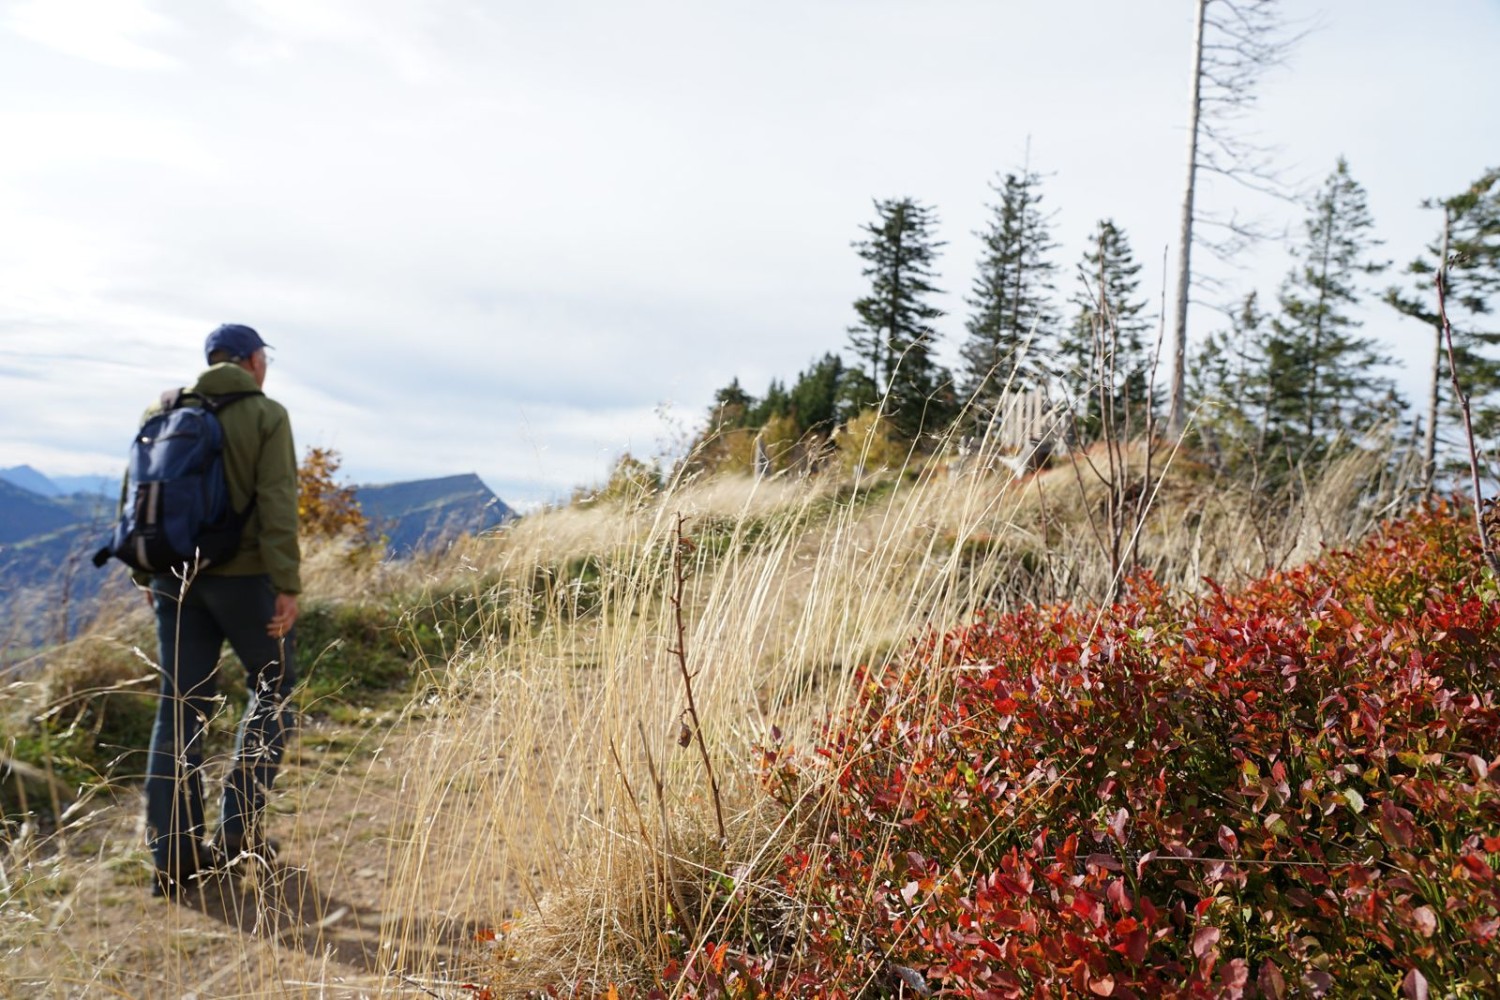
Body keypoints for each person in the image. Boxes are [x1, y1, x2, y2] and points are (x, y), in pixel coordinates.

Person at [140, 323, 301, 898]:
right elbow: (279, 499)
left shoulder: (162, 409)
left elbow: (140, 498)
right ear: (253, 361)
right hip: (243, 580)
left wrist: (148, 572)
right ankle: (236, 834)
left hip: (172, 580)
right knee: (273, 685)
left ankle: (173, 858)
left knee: (179, 707)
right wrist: (287, 583)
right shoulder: (266, 415)